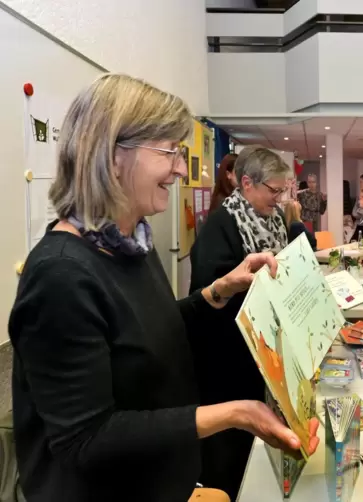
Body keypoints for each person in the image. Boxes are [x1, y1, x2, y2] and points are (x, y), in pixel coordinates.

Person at [7, 74, 318, 502]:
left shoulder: (130, 243)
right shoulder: (60, 276)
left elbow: (152, 331)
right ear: (114, 155)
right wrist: (233, 413)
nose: (178, 168)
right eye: (169, 152)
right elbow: (86, 441)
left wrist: (218, 290)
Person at [188, 145, 292, 499]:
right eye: (273, 190)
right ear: (247, 183)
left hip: (261, 351)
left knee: (253, 439)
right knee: (228, 450)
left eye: (282, 190)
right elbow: (206, 294)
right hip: (227, 357)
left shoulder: (273, 218)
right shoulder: (221, 223)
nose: (279, 199)